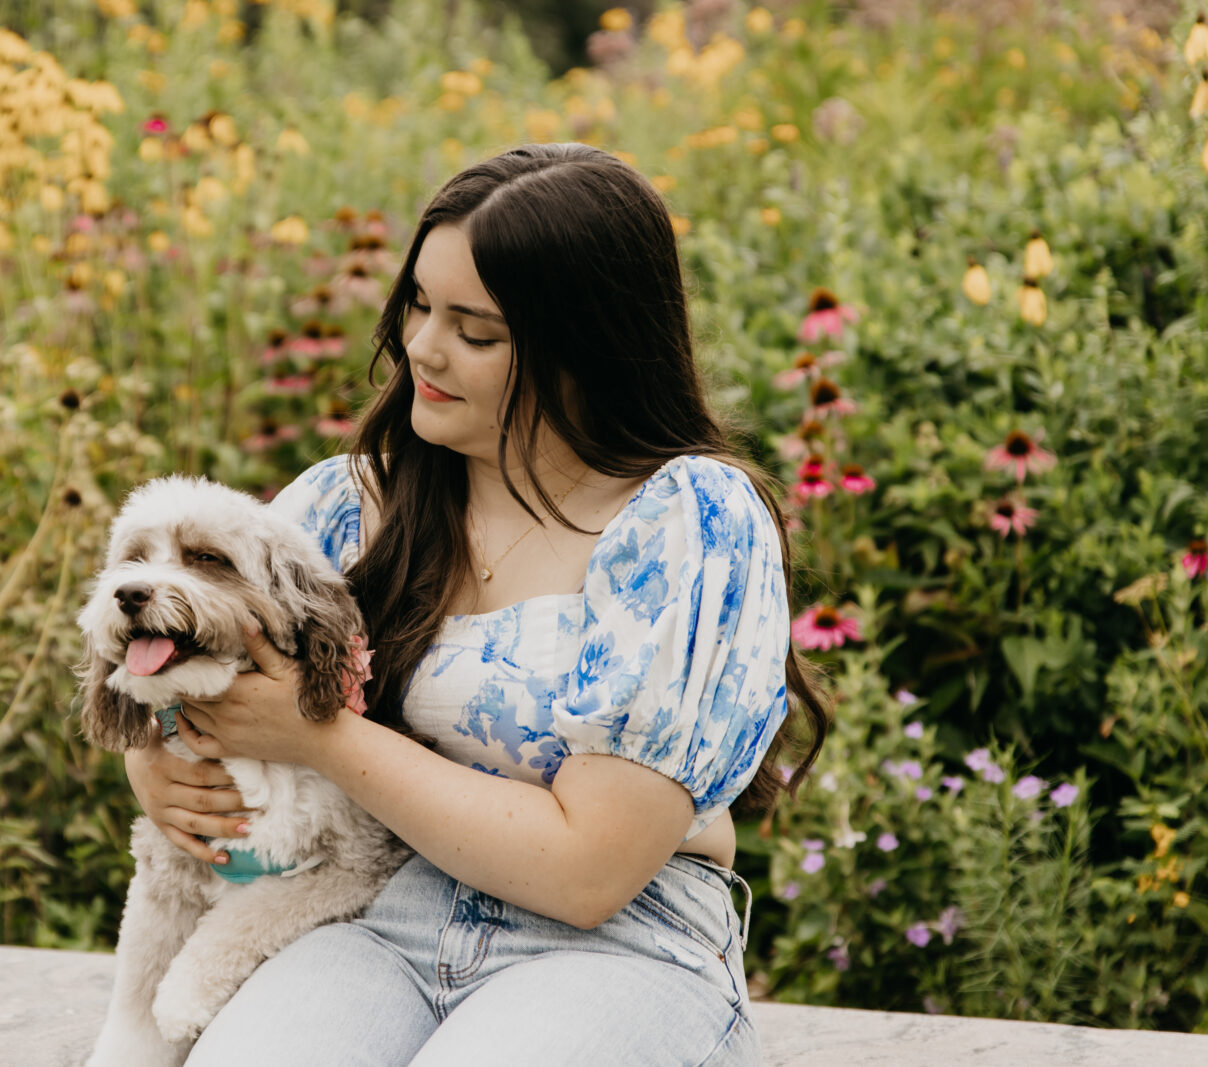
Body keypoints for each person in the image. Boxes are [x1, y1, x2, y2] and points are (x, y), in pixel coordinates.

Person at [123, 142, 830, 1066]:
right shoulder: (351, 507)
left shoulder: (685, 524)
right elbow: (183, 680)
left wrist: (319, 736)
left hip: (620, 945)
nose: (422, 346)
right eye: (418, 304)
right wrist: (163, 774)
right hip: (379, 914)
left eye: (476, 330)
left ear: (585, 347)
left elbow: (590, 874)